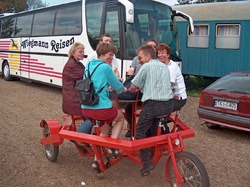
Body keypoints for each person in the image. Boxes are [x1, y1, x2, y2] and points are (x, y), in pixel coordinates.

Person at [81, 42, 127, 173]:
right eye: (110, 55)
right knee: (120, 118)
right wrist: (123, 88)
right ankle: (111, 147)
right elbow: (118, 86)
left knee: (104, 131)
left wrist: (106, 87)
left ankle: (96, 161)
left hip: (86, 107)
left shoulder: (89, 65)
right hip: (101, 108)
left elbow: (93, 84)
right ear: (101, 54)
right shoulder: (105, 67)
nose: (111, 58)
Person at [128, 45, 174, 177]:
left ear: (148, 56)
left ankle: (147, 163)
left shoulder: (146, 67)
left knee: (140, 132)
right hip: (168, 105)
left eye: (140, 57)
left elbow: (133, 86)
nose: (139, 60)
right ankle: (154, 154)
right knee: (154, 129)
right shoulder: (164, 66)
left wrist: (130, 89)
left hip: (154, 104)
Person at [119, 39, 157, 138]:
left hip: (145, 90)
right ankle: (132, 128)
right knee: (129, 107)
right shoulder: (137, 59)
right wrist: (130, 76)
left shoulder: (155, 63)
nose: (152, 48)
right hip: (137, 83)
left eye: (154, 46)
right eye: (150, 46)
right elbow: (131, 70)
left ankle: (141, 132)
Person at [62, 42, 93, 151]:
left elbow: (86, 74)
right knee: (92, 117)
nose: (82, 53)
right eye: (80, 51)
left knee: (88, 117)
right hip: (74, 99)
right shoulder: (72, 65)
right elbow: (85, 77)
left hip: (76, 96)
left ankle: (84, 139)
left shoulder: (77, 63)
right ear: (73, 52)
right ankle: (79, 136)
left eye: (83, 51)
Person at [157, 44, 187, 111]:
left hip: (178, 98)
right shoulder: (160, 65)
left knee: (158, 110)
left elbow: (168, 84)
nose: (160, 55)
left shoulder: (172, 66)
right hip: (168, 97)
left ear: (168, 55)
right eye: (159, 53)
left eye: (163, 53)